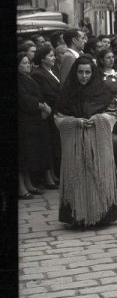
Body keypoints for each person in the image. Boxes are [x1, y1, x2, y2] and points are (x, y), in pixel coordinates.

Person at [53, 56, 117, 228]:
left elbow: (113, 113)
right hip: (75, 142)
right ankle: (78, 215)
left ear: (93, 73)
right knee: (77, 175)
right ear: (75, 72)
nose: (83, 76)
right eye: (80, 72)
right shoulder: (67, 92)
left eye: (87, 72)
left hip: (97, 141)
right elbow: (58, 116)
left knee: (99, 173)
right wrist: (75, 122)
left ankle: (102, 214)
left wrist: (99, 119)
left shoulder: (102, 91)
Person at [18, 52, 54, 199]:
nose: (28, 65)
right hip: (23, 121)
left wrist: (45, 107)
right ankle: (21, 187)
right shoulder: (18, 80)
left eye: (28, 63)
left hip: (34, 120)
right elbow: (25, 99)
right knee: (22, 155)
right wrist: (42, 107)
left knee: (29, 155)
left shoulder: (29, 78)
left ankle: (29, 184)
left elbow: (39, 95)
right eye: (24, 63)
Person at [31, 46, 61, 184]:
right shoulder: (38, 73)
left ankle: (54, 174)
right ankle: (49, 176)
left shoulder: (53, 70)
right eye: (50, 56)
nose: (54, 57)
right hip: (49, 112)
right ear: (42, 58)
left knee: (56, 143)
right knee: (51, 143)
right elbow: (48, 94)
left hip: (58, 110)